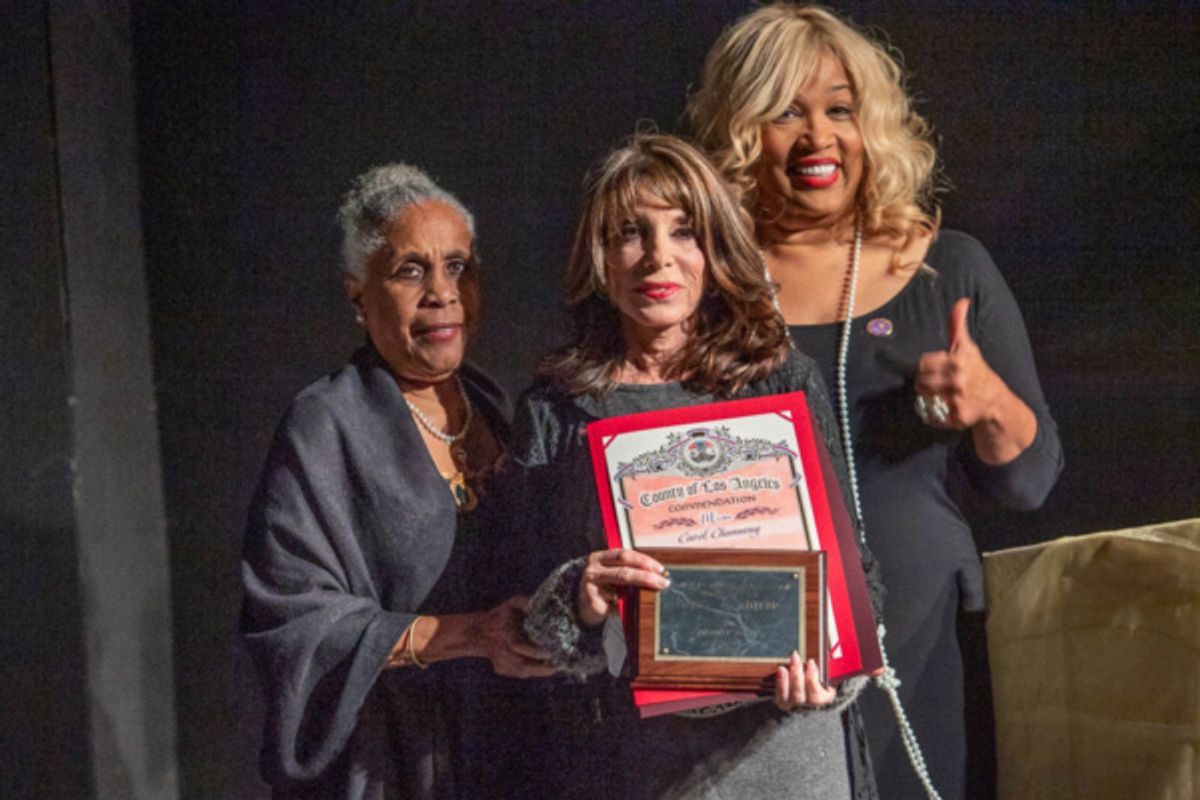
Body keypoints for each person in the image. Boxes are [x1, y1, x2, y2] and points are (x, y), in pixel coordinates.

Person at [686, 5, 1065, 799]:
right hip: (764, 666)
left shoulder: (947, 268)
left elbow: (1031, 484)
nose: (819, 136)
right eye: (787, 110)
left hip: (928, 656)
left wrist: (989, 402)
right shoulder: (700, 290)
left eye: (840, 110)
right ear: (741, 129)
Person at [512, 133, 883, 800]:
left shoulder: (782, 380)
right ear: (599, 256)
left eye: (685, 232)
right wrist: (578, 598)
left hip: (784, 747)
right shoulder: (557, 408)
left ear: (715, 250)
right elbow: (528, 604)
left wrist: (831, 673)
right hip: (637, 760)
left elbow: (857, 572)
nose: (659, 257)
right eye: (631, 232)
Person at [240, 164, 553, 799]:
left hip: (512, 749)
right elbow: (293, 618)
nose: (441, 292)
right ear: (358, 294)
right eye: (411, 270)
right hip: (394, 766)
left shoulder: (498, 408)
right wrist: (470, 635)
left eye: (457, 267)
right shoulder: (327, 423)